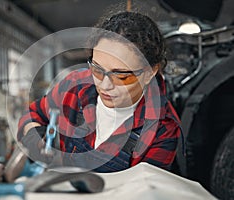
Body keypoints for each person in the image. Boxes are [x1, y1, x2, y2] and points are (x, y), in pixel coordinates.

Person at [17, 11, 182, 172]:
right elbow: (32, 114)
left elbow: (145, 190)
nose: (105, 85)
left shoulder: (163, 128)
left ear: (149, 72)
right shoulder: (74, 87)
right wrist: (33, 135)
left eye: (120, 76)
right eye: (97, 70)